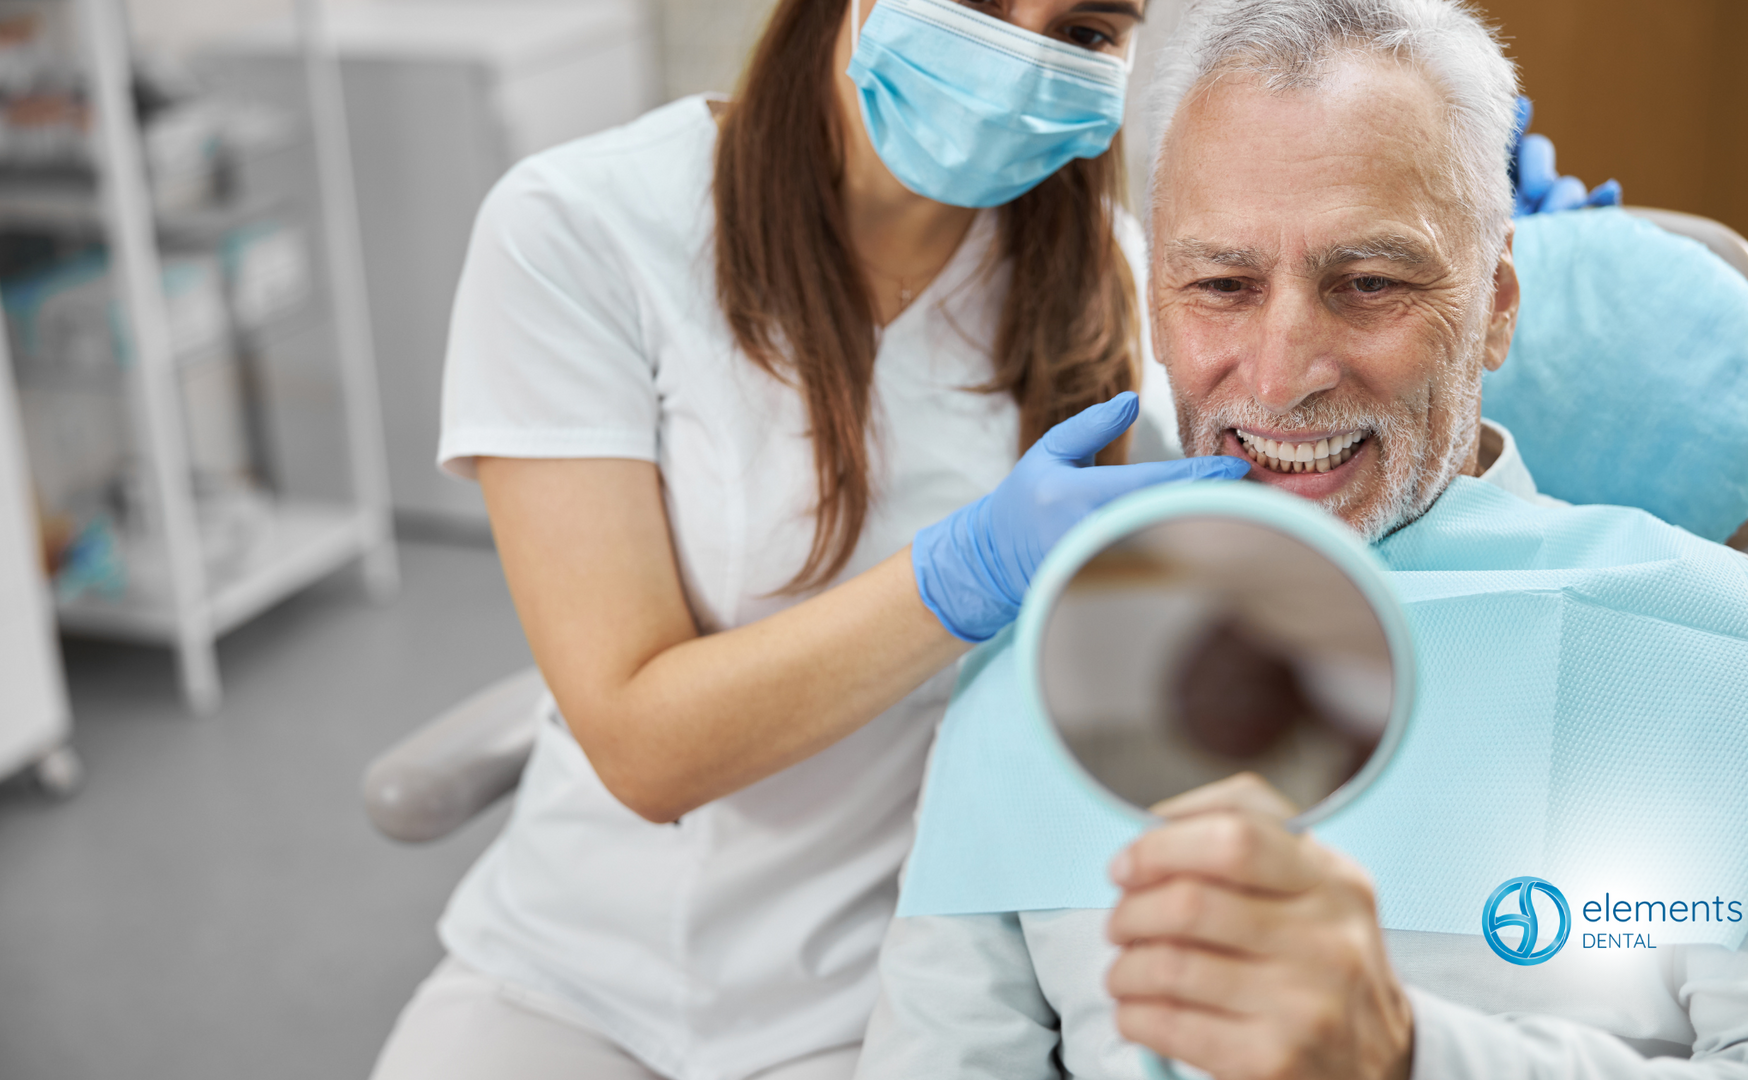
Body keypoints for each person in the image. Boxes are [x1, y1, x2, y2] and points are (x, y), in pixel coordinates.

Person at [853, 1, 1748, 1078]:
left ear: (1494, 307)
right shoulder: (1037, 672)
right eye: (1223, 286)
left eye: (1370, 283)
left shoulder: (1742, 656)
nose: (1284, 373)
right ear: (1157, 309)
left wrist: (1404, 1052)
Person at [365, 1, 1264, 1078]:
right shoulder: (584, 226)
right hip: (576, 976)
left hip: (893, 1004)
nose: (1021, 56)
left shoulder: (1116, 292)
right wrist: (960, 577)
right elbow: (643, 750)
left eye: (1083, 32)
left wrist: (1500, 286)